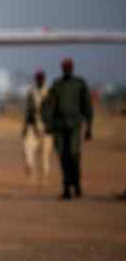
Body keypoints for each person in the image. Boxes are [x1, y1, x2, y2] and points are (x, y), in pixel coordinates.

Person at [47, 58, 93, 200]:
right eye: (64, 67)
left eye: (69, 67)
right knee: (63, 157)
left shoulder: (79, 84)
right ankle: (66, 188)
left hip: (74, 125)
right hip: (59, 126)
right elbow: (50, 105)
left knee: (74, 155)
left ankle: (77, 183)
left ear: (72, 68)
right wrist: (48, 123)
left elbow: (87, 106)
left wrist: (89, 127)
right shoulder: (57, 85)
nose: (67, 69)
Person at [22, 69, 52, 186]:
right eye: (37, 78)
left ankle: (44, 179)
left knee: (45, 155)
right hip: (32, 125)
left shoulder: (49, 92)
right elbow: (28, 110)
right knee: (27, 150)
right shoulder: (31, 92)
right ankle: (30, 169)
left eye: (41, 78)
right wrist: (25, 127)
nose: (39, 80)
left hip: (46, 127)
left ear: (43, 79)